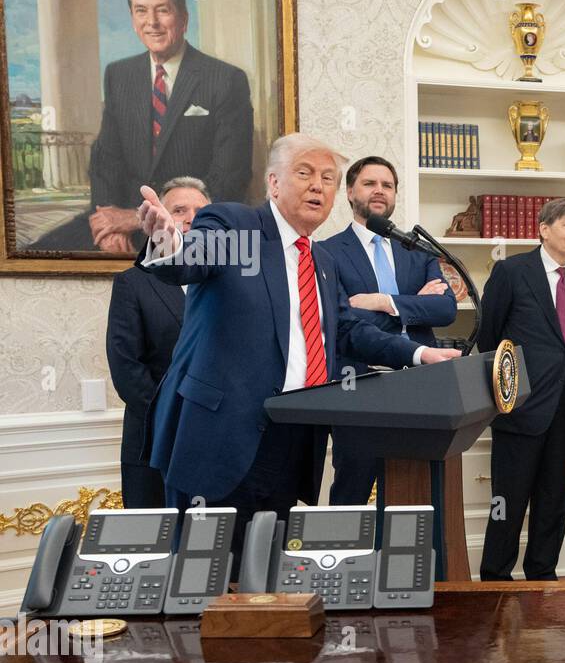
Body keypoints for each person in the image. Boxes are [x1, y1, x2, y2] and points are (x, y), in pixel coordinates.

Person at [136, 133, 459, 570]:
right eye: (304, 173)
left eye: (328, 178)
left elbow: (345, 329)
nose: (318, 186)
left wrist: (419, 355)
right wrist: (166, 243)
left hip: (292, 437)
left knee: (269, 579)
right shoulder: (240, 228)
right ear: (273, 183)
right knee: (202, 582)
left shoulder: (321, 261)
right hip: (221, 436)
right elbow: (189, 260)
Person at [33, 0, 252, 253]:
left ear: (183, 18)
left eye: (163, 10)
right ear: (132, 19)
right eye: (141, 11)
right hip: (121, 219)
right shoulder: (119, 75)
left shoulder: (225, 80)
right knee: (41, 251)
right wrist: (107, 222)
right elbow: (105, 160)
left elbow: (229, 178)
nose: (152, 23)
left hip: (190, 227)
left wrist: (135, 219)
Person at [317, 156, 458, 506]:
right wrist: (412, 308)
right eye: (369, 183)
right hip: (359, 386)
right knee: (353, 490)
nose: (379, 190)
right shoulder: (326, 253)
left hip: (420, 384)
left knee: (416, 494)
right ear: (349, 192)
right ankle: (348, 560)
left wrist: (382, 301)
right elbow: (340, 323)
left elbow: (446, 309)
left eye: (388, 185)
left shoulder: (417, 250)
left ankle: (411, 562)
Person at [478, 198, 565, 581]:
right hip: (520, 407)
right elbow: (489, 338)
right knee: (508, 502)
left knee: (554, 501)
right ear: (544, 229)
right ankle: (496, 578)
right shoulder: (512, 271)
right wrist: (506, 393)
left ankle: (543, 574)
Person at [106, 176, 210, 507]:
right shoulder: (133, 283)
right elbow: (128, 370)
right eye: (179, 209)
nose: (192, 217)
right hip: (154, 445)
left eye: (201, 211)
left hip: (217, 446)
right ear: (157, 217)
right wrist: (177, 416)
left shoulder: (231, 282)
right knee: (156, 551)